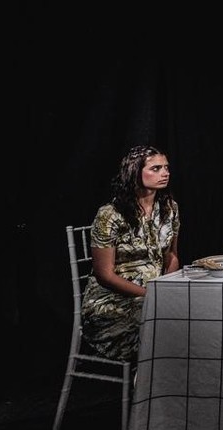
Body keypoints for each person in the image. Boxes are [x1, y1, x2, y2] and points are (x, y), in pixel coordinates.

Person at [81, 145, 180, 362]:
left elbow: (171, 256)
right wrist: (150, 294)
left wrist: (164, 288)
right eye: (156, 168)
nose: (165, 173)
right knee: (166, 320)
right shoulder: (111, 214)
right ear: (134, 172)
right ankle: (153, 378)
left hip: (153, 294)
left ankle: (171, 379)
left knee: (191, 310)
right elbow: (105, 275)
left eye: (166, 167)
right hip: (112, 303)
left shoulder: (169, 208)